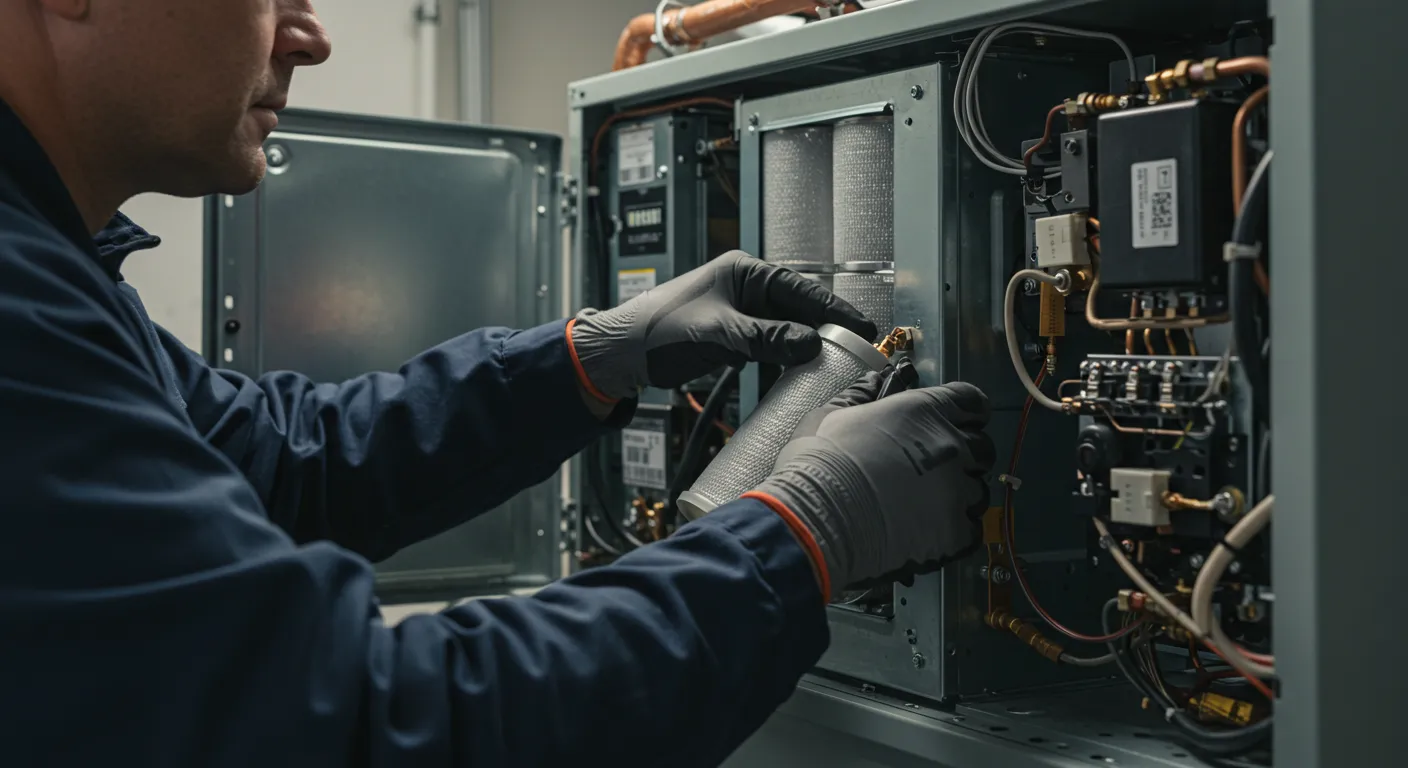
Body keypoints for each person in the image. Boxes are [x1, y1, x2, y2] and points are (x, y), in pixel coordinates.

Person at [0, 1, 995, 765]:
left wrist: (584, 357)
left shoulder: (49, 267)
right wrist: (802, 538)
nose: (308, 36)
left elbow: (283, 466)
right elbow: (367, 726)